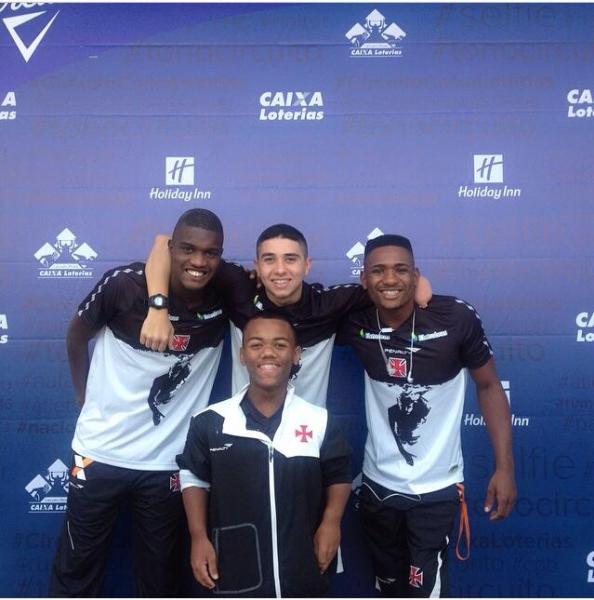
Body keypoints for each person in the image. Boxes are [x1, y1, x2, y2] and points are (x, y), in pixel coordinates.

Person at [49, 209, 227, 597]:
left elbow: (165, 243)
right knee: (76, 572)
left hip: (167, 465)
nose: (199, 261)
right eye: (188, 249)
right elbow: (76, 336)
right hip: (99, 454)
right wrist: (81, 395)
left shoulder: (224, 289)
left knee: (159, 582)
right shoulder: (124, 286)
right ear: (173, 249)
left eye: (210, 253)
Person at [337, 234, 517, 597]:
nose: (390, 279)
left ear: (416, 275)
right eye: (378, 271)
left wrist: (505, 467)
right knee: (389, 588)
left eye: (401, 270)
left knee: (425, 590)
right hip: (377, 486)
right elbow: (299, 306)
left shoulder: (455, 317)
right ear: (364, 279)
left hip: (436, 489)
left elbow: (488, 386)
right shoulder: (355, 319)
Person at [140, 224, 432, 407]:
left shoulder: (329, 303)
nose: (280, 270)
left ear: (307, 265)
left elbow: (398, 287)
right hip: (243, 432)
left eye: (290, 259)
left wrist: (420, 285)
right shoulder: (239, 288)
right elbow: (164, 243)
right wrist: (158, 309)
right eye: (270, 260)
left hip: (305, 438)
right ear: (257, 265)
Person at [177, 313, 352, 597]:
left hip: (302, 564)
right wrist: (198, 537)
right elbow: (194, 478)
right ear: (242, 354)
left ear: (296, 355)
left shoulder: (319, 420)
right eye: (256, 344)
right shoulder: (210, 422)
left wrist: (332, 522)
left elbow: (339, 475)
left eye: (280, 345)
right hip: (235, 565)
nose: (268, 352)